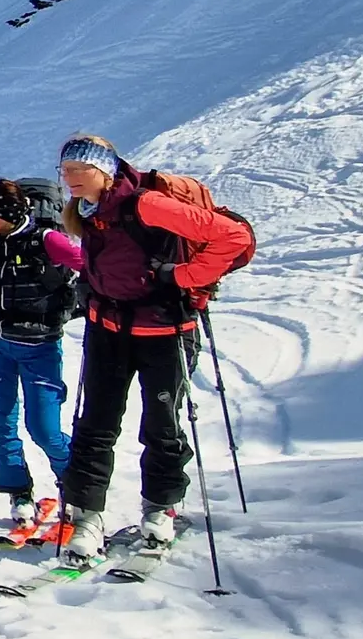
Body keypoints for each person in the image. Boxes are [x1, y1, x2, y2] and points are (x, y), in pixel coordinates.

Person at [55, 135, 253, 559]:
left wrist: (183, 277)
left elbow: (232, 237)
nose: (68, 178)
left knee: (162, 423)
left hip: (164, 331)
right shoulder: (87, 212)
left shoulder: (147, 204)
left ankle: (160, 508)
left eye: (77, 170)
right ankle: (87, 516)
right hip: (107, 329)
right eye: (64, 170)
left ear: (103, 171)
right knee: (95, 424)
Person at [0, 178, 84, 523]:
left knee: (43, 427)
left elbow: (88, 265)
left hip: (40, 346)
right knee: (1, 420)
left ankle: (76, 483)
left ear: (8, 213)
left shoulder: (47, 240)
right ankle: (18, 491)